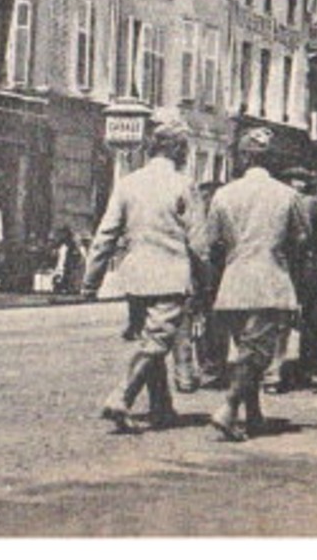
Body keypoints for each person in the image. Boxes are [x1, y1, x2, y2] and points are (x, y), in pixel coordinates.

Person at [82, 112, 206, 432]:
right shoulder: (184, 185)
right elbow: (199, 242)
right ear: (179, 151)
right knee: (156, 342)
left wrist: (90, 282)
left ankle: (162, 407)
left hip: (136, 277)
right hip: (171, 276)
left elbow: (105, 235)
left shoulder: (128, 184)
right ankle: (120, 396)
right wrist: (205, 281)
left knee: (151, 340)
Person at [202, 127, 311, 441]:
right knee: (256, 355)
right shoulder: (288, 195)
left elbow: (212, 242)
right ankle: (229, 408)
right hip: (270, 282)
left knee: (246, 351)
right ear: (271, 159)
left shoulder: (223, 194)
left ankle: (254, 415)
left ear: (244, 157)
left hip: (233, 283)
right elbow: (301, 240)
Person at [284, 165, 317, 392]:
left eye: (299, 180)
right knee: (314, 322)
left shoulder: (302, 204)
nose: (298, 184)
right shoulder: (313, 204)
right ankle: (316, 368)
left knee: (307, 321)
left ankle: (311, 367)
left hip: (295, 268)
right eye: (295, 180)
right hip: (308, 270)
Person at [50, 227, 84, 295]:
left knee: (69, 276)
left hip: (68, 268)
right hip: (65, 268)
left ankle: (68, 287)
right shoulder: (64, 247)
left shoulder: (71, 247)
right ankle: (63, 286)